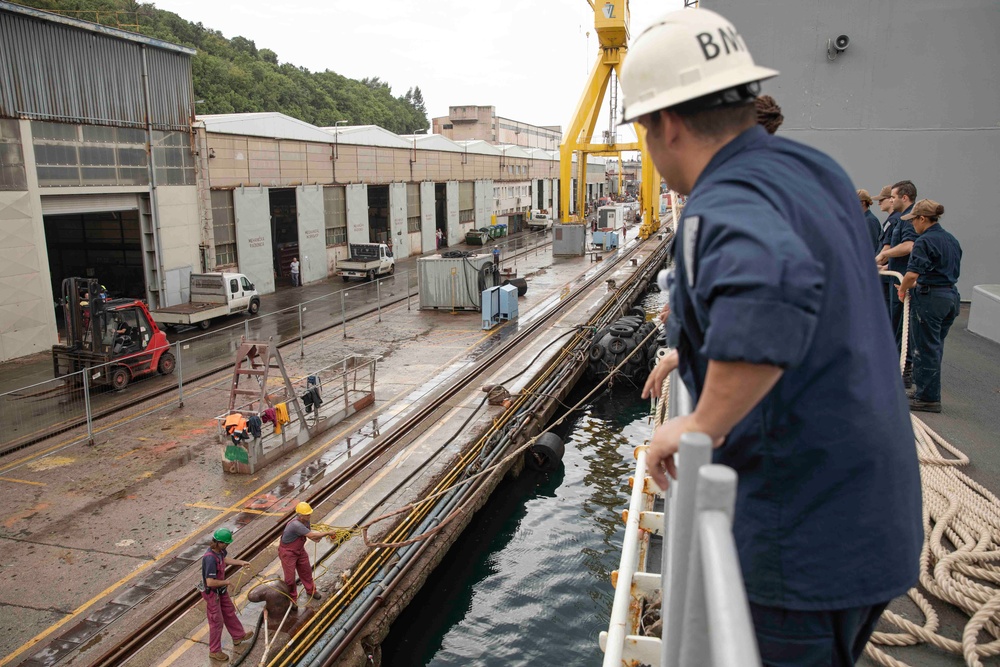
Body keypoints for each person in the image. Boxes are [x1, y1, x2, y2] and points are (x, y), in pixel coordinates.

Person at [622, 9, 921, 665]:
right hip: (871, 518)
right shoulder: (815, 171)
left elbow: (771, 294)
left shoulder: (718, 200)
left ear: (666, 125)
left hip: (800, 545)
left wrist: (699, 421)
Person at [896, 200, 962, 412]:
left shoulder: (924, 241)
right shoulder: (951, 240)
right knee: (934, 346)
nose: (912, 224)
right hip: (950, 296)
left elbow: (912, 273)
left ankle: (928, 398)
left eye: (913, 220)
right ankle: (924, 390)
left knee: (925, 347)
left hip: (931, 300)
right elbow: (940, 273)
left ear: (922, 218)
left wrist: (903, 289)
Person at [876, 181, 918, 386]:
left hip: (902, 283)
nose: (891, 201)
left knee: (902, 326)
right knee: (895, 325)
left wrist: (883, 255)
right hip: (895, 278)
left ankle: (904, 371)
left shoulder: (907, 219)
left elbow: (908, 245)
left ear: (905, 197)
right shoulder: (900, 219)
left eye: (893, 197)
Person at [201, 528, 253, 661]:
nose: (227, 545)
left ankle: (238, 636)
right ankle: (214, 651)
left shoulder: (220, 551)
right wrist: (227, 582)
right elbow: (210, 582)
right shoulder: (209, 559)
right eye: (225, 543)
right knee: (216, 622)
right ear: (218, 542)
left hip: (221, 591)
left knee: (229, 612)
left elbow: (224, 559)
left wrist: (241, 562)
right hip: (213, 594)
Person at [278, 501, 339, 604]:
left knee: (306, 570)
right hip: (288, 553)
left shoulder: (306, 522)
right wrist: (328, 533)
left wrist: (316, 538)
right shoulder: (296, 525)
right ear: (300, 515)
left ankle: (311, 590)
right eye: (307, 514)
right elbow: (312, 535)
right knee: (290, 578)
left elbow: (309, 535)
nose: (309, 515)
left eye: (309, 513)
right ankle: (292, 599)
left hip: (299, 550)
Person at [874, 185, 898, 316]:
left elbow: (887, 248)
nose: (878, 203)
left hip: (886, 276)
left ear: (891, 200)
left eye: (882, 199)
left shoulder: (894, 220)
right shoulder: (894, 220)